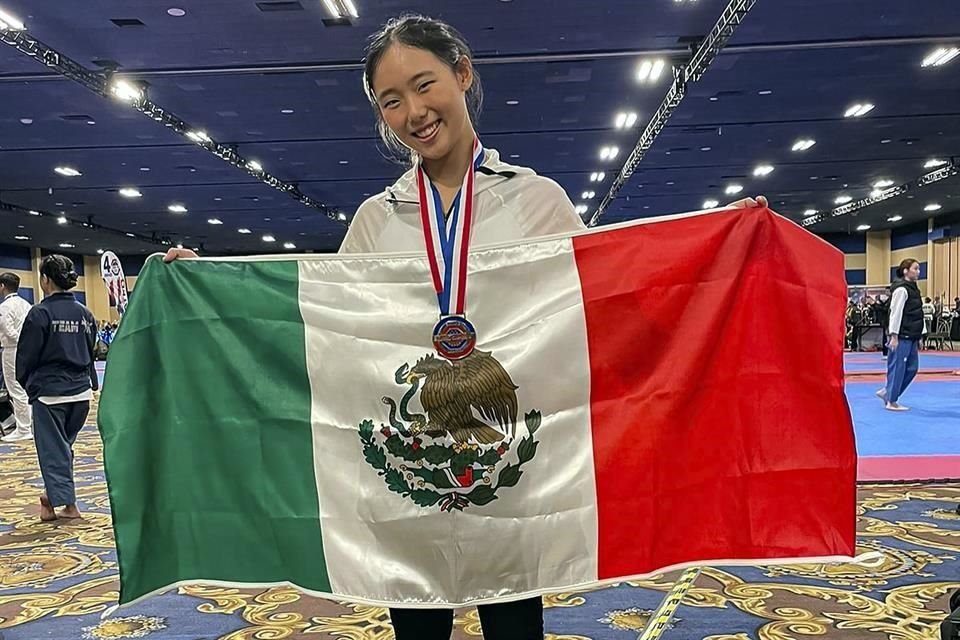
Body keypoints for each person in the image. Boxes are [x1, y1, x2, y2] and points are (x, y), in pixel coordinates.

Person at [163, 14, 767, 639]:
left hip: (513, 477)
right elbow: (321, 329)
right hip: (408, 478)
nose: (413, 112)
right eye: (390, 101)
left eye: (424, 85)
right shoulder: (378, 219)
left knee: (514, 627)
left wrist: (727, 247)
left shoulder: (536, 201)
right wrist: (205, 289)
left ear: (462, 74)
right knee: (418, 633)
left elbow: (611, 313)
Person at [16, 255, 98, 521]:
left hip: (50, 393)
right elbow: (91, 349)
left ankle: (68, 505)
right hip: (80, 393)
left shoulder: (40, 313)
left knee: (54, 452)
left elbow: (26, 356)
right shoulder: (85, 313)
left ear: (44, 280)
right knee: (63, 449)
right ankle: (50, 499)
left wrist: (28, 384)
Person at [877, 259, 923, 411]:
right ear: (905, 271)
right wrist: (894, 335)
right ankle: (891, 401)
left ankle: (888, 391)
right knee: (898, 367)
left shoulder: (914, 289)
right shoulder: (901, 290)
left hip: (912, 336)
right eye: (915, 268)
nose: (918, 271)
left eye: (919, 269)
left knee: (912, 368)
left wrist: (920, 335)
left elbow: (916, 314)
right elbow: (895, 314)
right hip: (901, 336)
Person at [0, 273, 34, 442]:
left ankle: (23, 428)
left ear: (2, 286)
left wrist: (20, 342)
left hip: (12, 350)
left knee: (15, 389)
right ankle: (27, 424)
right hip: (27, 350)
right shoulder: (26, 304)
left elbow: (8, 331)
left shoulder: (5, 307)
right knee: (25, 388)